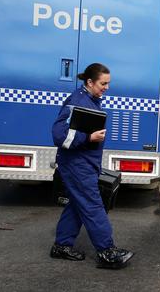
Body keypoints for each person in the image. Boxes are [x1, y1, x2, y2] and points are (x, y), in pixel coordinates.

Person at [50, 63, 134, 269]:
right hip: (77, 166)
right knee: (93, 206)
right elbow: (59, 135)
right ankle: (107, 251)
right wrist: (89, 137)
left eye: (108, 83)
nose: (106, 87)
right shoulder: (78, 101)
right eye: (103, 83)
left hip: (83, 164)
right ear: (89, 82)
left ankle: (61, 246)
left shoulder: (90, 99)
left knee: (78, 205)